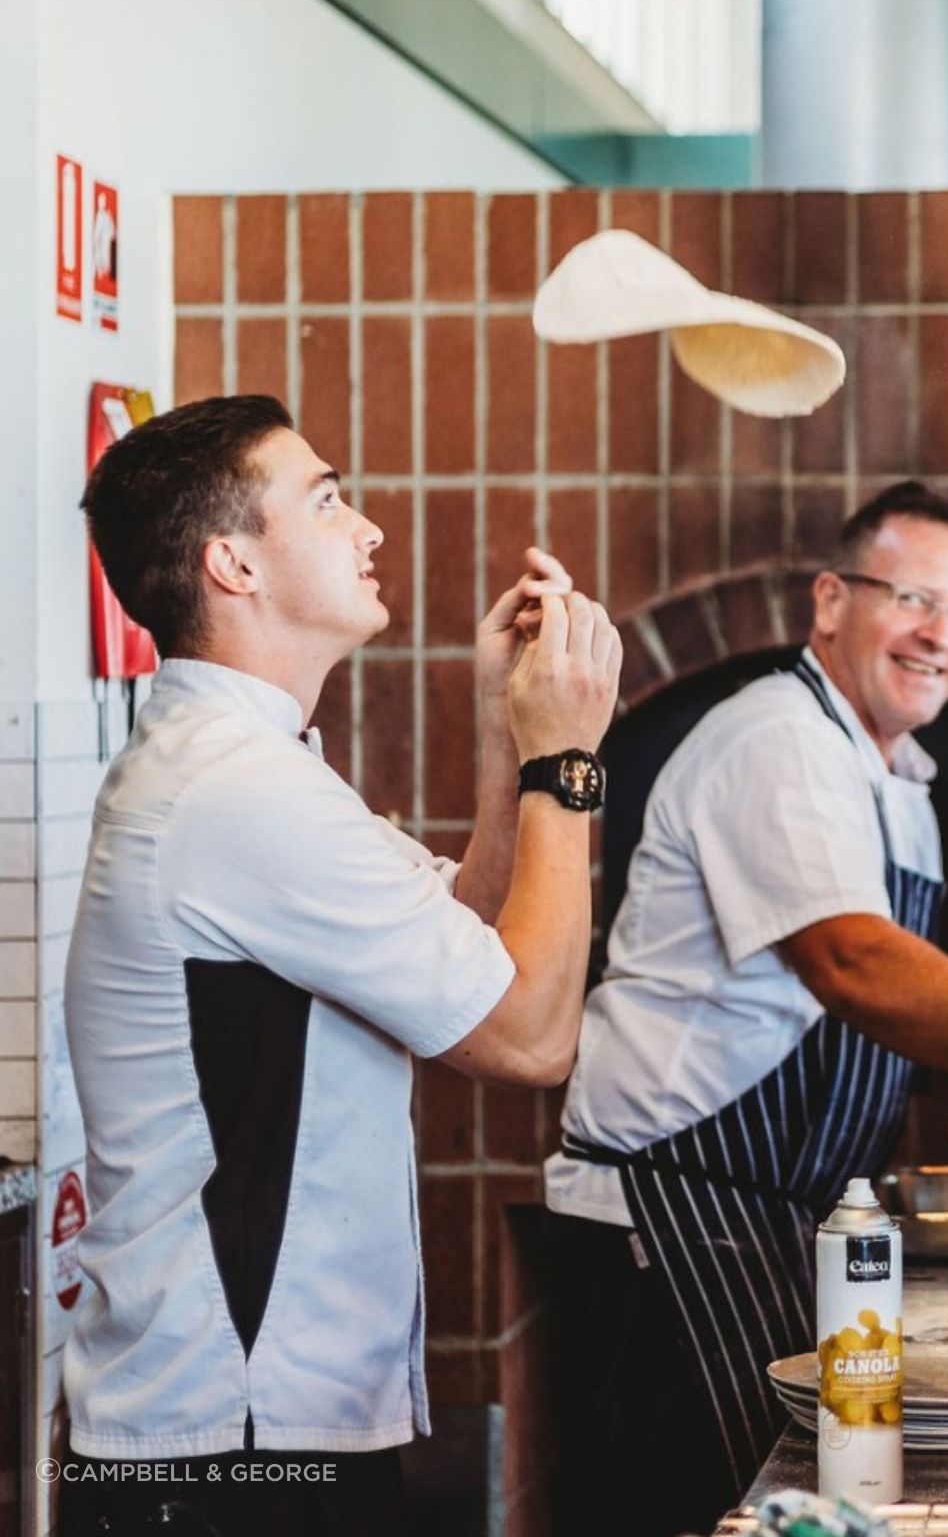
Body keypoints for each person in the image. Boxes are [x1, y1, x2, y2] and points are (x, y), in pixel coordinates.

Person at [61, 394, 620, 1537]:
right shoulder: (236, 791)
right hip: (225, 1452)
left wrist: (504, 723)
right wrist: (565, 760)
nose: (367, 528)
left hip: (245, 1440)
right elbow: (526, 1035)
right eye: (325, 500)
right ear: (233, 563)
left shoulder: (249, 765)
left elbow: (459, 938)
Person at [544, 480, 948, 1537]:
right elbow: (851, 959)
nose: (940, 636)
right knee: (693, 1506)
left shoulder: (896, 771)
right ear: (828, 601)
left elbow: (835, 982)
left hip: (769, 1213)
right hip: (673, 1218)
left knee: (790, 1507)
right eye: (912, 597)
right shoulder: (780, 737)